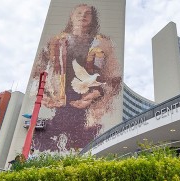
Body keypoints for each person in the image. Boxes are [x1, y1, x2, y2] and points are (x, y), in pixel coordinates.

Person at [30, 4, 122, 152]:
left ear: (93, 19)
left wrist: (97, 95)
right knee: (45, 144)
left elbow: (113, 79)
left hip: (88, 105)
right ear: (72, 16)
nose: (82, 16)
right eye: (79, 12)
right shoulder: (55, 42)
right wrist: (43, 95)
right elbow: (38, 73)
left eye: (87, 13)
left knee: (87, 146)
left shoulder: (103, 44)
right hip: (59, 102)